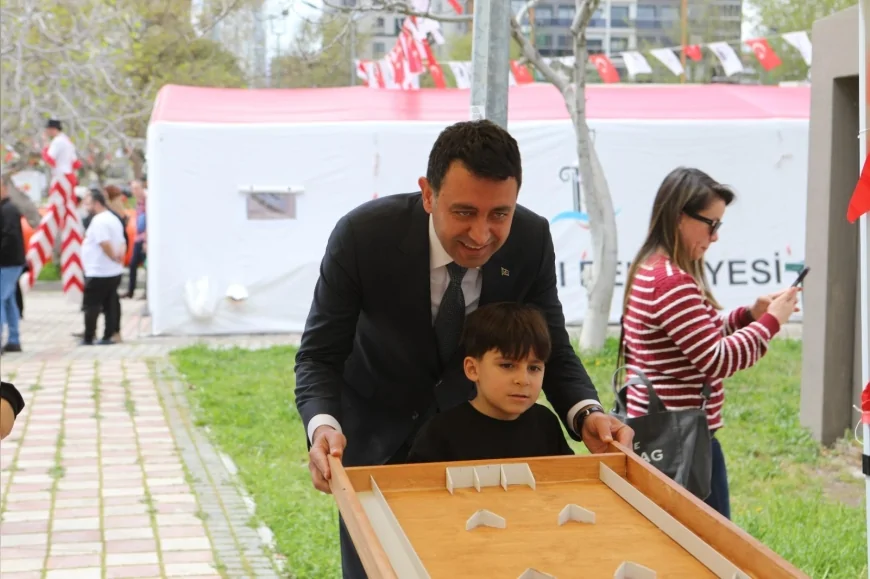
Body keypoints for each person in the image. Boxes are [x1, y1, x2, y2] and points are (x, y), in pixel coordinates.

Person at [294, 119, 633, 578]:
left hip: (480, 455)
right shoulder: (362, 235)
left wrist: (586, 412)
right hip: (374, 452)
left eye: (500, 214)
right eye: (464, 212)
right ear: (428, 194)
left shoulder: (531, 239)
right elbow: (319, 354)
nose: (481, 233)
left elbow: (550, 345)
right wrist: (322, 428)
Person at [620, 167, 800, 520]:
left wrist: (748, 315)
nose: (715, 236)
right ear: (679, 217)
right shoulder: (670, 282)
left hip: (665, 434)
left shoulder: (654, 270)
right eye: (711, 224)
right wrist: (771, 322)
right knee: (711, 547)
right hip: (681, 441)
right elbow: (716, 360)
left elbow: (692, 337)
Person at [407, 302, 574, 463]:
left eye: (534, 368)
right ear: (472, 369)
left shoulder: (545, 424)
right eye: (507, 365)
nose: (523, 380)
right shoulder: (439, 434)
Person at [80, 189, 126, 345]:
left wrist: (113, 256)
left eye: (88, 203)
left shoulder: (99, 221)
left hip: (99, 270)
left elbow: (104, 242)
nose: (86, 207)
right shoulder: (114, 218)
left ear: (97, 203)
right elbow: (122, 242)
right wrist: (119, 257)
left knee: (91, 305)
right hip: (112, 271)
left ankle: (89, 335)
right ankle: (110, 333)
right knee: (111, 304)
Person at [0, 172, 26, 353]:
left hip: (7, 262)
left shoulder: (8, 209)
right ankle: (14, 339)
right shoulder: (7, 208)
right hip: (11, 262)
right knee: (8, 301)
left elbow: (9, 237)